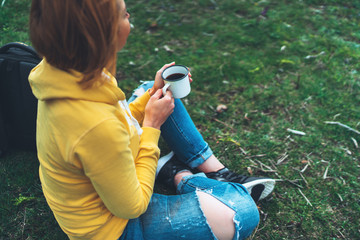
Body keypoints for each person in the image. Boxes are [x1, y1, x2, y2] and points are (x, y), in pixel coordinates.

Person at [28, 0, 275, 239]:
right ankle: (178, 176)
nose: (129, 17)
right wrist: (151, 127)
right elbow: (131, 207)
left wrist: (151, 100)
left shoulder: (65, 71)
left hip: (106, 170)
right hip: (111, 228)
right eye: (124, 14)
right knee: (242, 210)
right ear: (102, 35)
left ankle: (216, 171)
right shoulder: (95, 126)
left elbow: (118, 119)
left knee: (155, 91)